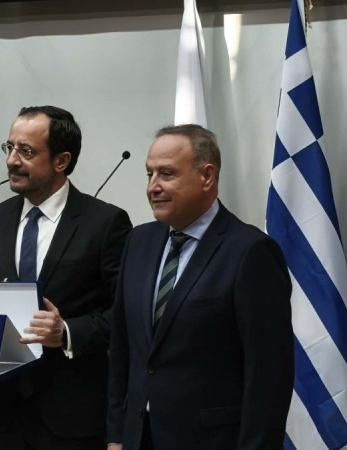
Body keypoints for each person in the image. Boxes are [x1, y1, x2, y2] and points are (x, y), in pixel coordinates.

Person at [0, 105, 132, 450]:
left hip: (74, 416)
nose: (12, 161)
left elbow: (125, 316)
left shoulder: (105, 223)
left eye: (26, 151)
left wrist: (66, 332)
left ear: (61, 161)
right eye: (9, 147)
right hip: (6, 416)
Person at [107, 124, 294, 450]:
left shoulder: (250, 252)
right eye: (149, 174)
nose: (153, 187)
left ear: (207, 176)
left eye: (167, 174)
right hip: (139, 438)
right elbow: (123, 349)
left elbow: (268, 378)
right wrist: (116, 436)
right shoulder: (139, 241)